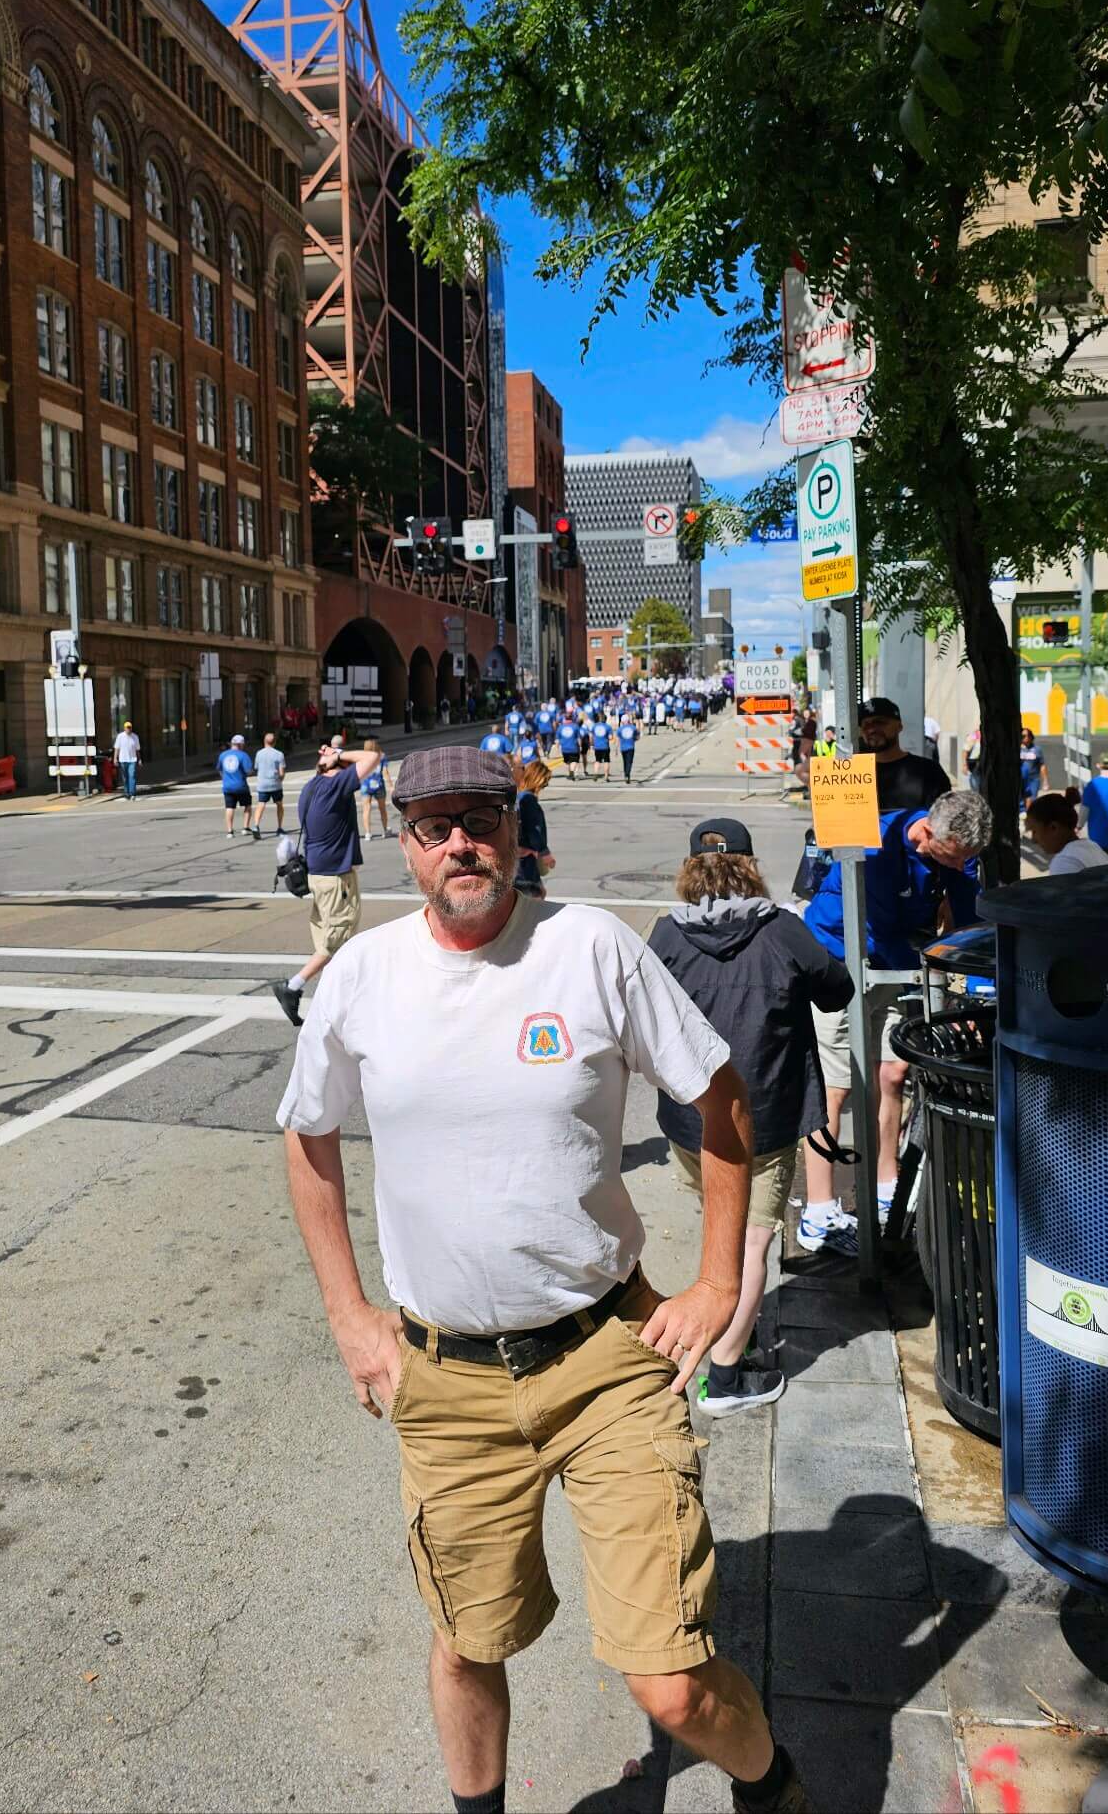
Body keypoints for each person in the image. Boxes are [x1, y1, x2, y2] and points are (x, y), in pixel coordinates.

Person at [278, 744, 809, 1814]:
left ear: (517, 831)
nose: (460, 841)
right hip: (449, 1379)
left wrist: (714, 1284)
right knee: (468, 1642)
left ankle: (776, 1785)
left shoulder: (590, 948)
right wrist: (348, 1312)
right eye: (434, 826)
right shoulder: (361, 977)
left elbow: (721, 1097)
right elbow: (307, 1135)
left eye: (480, 818)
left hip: (607, 1356)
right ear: (405, 845)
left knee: (669, 1683)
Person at [648, 821, 852, 1416]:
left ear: (690, 872)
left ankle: (724, 1325)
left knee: (720, 1225)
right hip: (764, 1113)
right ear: (750, 865)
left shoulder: (664, 935)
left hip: (692, 1117)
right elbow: (836, 989)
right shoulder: (782, 930)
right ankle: (726, 1373)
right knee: (751, 1244)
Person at [800, 790, 992, 1255]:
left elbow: (967, 912)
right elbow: (877, 929)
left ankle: (887, 1178)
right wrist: (932, 966)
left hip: (896, 962)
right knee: (836, 1084)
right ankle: (819, 1207)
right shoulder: (876, 842)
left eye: (965, 859)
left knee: (895, 1071)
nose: (956, 866)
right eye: (951, 858)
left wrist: (974, 971)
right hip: (840, 958)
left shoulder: (957, 849)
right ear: (927, 831)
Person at [271, 737, 383, 1027]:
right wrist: (339, 754)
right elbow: (373, 758)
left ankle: (338, 1001)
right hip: (336, 878)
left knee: (329, 941)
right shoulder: (335, 786)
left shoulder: (311, 788)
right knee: (337, 943)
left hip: (318, 875)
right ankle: (293, 986)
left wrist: (331, 759)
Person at [856, 698, 951, 814]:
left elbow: (944, 822)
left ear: (899, 726)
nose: (871, 729)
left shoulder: (929, 772)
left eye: (879, 722)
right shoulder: (851, 774)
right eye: (865, 725)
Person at [1026, 791, 1108, 874]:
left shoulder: (1065, 862)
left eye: (1034, 831)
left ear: (1054, 828)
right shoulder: (1092, 846)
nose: (1033, 840)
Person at [513, 755, 555, 898]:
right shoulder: (528, 799)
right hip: (527, 855)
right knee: (535, 894)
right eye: (545, 782)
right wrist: (544, 852)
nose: (545, 786)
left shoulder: (519, 797)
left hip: (522, 853)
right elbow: (533, 828)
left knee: (533, 893)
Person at [217, 734, 255, 839]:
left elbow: (220, 769)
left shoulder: (223, 755)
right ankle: (245, 828)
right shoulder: (243, 755)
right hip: (241, 786)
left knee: (229, 807)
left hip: (227, 786)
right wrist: (250, 772)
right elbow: (248, 771)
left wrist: (224, 778)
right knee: (247, 805)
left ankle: (230, 831)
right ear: (241, 744)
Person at [252, 731, 287, 836]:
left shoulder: (259, 753)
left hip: (262, 784)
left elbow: (256, 768)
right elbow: (281, 772)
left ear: (264, 741)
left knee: (261, 804)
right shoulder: (279, 754)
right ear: (275, 742)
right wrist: (280, 779)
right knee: (279, 804)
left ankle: (256, 825)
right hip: (275, 783)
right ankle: (279, 827)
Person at [358, 738, 391, 842]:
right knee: (382, 809)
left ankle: (368, 833)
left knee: (366, 810)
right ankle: (385, 830)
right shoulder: (382, 756)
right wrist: (390, 784)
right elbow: (385, 772)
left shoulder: (362, 757)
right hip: (379, 785)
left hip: (366, 785)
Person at [1018, 726, 1047, 806]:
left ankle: (1029, 815)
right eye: (1023, 736)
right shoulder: (1017, 749)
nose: (1025, 738)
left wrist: (1045, 781)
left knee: (1032, 798)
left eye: (1027, 735)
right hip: (1021, 778)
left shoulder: (1037, 749)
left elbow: (1042, 765)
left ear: (1031, 737)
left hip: (1033, 778)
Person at [113, 718, 141, 801]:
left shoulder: (135, 737)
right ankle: (126, 793)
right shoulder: (120, 736)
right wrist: (115, 758)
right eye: (127, 727)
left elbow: (137, 749)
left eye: (129, 727)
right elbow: (117, 748)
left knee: (132, 776)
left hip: (132, 760)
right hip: (123, 760)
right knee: (125, 778)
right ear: (124, 728)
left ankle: (132, 793)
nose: (128, 729)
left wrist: (139, 759)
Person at [557, 712, 583, 779]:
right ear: (572, 718)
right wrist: (580, 746)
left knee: (566, 762)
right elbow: (578, 738)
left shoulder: (560, 727)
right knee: (574, 761)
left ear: (565, 718)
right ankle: (571, 772)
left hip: (564, 748)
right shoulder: (575, 726)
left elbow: (557, 740)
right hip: (574, 747)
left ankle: (569, 774)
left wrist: (558, 748)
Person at [590, 712, 614, 781]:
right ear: (606, 720)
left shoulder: (594, 726)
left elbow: (591, 736)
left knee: (597, 760)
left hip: (597, 746)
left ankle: (596, 774)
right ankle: (606, 776)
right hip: (605, 746)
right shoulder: (608, 727)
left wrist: (592, 744)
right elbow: (610, 737)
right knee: (606, 761)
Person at [618, 708, 640, 784]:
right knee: (629, 762)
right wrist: (634, 739)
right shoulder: (633, 728)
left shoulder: (620, 729)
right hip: (630, 747)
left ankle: (625, 774)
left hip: (623, 747)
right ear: (628, 720)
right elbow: (638, 736)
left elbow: (618, 739)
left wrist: (616, 749)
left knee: (625, 762)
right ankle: (628, 774)